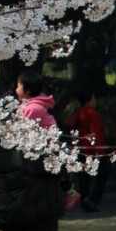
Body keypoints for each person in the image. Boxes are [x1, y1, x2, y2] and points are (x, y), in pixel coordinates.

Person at [15, 71, 80, 212]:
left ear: (28, 90)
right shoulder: (30, 106)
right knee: (56, 172)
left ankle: (70, 193)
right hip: (45, 144)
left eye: (18, 86)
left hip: (48, 144)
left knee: (54, 170)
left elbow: (21, 128)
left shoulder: (33, 108)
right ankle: (70, 193)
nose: (16, 89)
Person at [64, 89, 109, 212]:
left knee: (83, 178)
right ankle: (92, 199)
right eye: (94, 98)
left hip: (80, 149)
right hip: (92, 149)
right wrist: (100, 151)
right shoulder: (91, 113)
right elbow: (97, 133)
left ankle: (85, 202)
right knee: (101, 174)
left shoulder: (77, 112)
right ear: (88, 100)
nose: (95, 101)